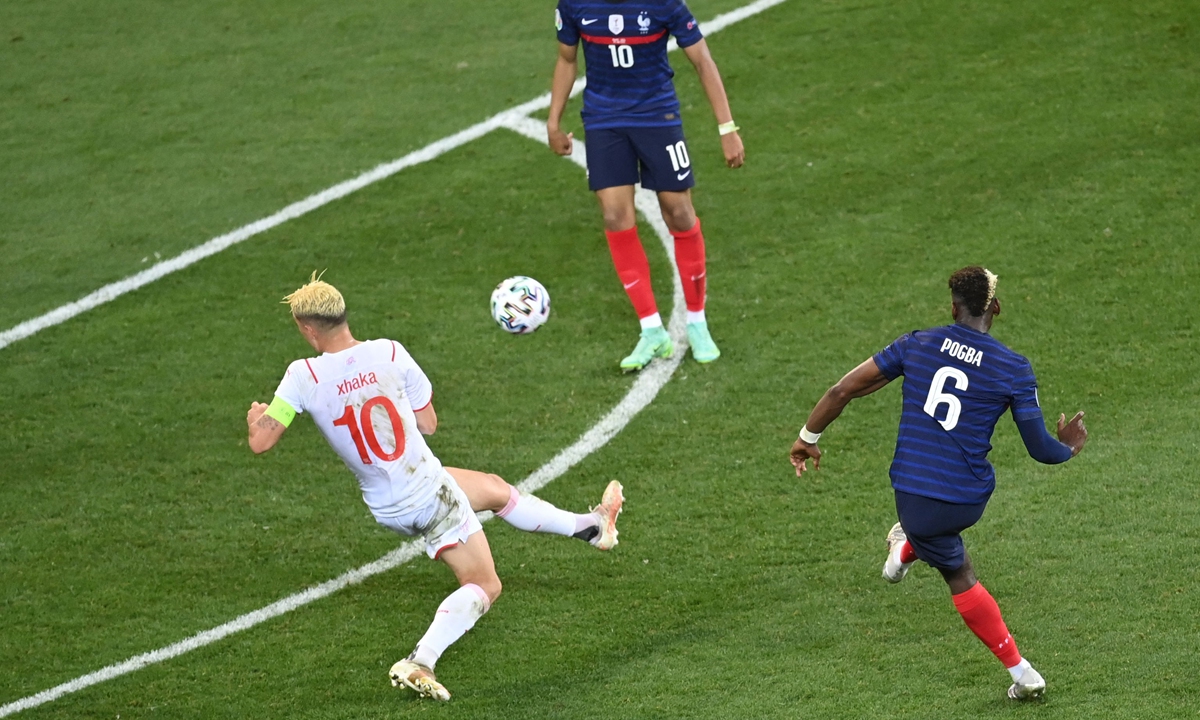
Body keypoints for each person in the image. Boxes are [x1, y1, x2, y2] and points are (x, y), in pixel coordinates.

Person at [245, 273, 624, 701]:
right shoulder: (389, 352)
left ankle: (592, 527)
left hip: (386, 502)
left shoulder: (301, 376)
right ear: (344, 315)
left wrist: (256, 416)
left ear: (307, 328)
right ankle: (421, 660)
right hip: (429, 493)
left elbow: (261, 440)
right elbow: (428, 423)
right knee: (485, 585)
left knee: (494, 489)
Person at [788, 266, 1088, 701]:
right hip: (970, 497)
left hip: (916, 495)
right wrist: (1069, 447)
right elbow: (1040, 448)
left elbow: (842, 391)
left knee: (958, 568)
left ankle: (1023, 673)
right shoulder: (1013, 368)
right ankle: (907, 548)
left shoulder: (918, 344)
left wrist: (807, 439)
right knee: (939, 535)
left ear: (952, 307)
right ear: (996, 309)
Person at [547, 0, 744, 371]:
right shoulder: (574, 5)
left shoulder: (664, 3)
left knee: (680, 213)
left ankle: (698, 322)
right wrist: (553, 121)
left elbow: (702, 60)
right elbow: (567, 60)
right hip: (604, 119)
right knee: (614, 214)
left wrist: (727, 128)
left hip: (658, 116)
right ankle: (652, 329)